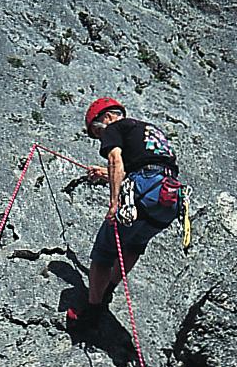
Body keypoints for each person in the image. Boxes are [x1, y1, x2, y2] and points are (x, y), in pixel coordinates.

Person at [66, 97, 183, 337]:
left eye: (98, 134)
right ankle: (109, 288)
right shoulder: (148, 130)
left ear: (106, 118)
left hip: (144, 188)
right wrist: (105, 175)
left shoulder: (115, 128)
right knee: (135, 244)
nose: (101, 138)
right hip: (168, 197)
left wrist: (114, 203)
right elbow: (147, 166)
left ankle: (93, 310)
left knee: (103, 252)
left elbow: (115, 160)